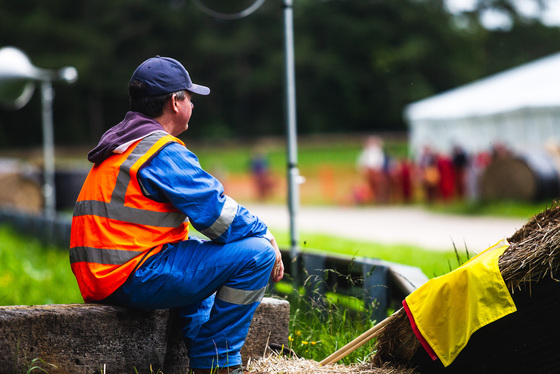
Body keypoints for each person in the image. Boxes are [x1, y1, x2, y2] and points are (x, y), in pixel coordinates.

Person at [69, 55, 284, 374]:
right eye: (191, 97)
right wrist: (266, 235)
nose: (194, 105)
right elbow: (217, 215)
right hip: (130, 274)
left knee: (196, 252)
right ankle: (218, 362)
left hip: (102, 276)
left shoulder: (124, 144)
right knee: (256, 255)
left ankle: (201, 349)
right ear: (175, 102)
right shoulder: (160, 150)